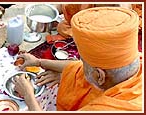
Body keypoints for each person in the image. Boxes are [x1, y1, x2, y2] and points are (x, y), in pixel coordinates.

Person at [14, 6, 142, 111]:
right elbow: (79, 67)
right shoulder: (135, 64)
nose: (79, 64)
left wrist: (28, 95)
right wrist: (39, 62)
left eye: (83, 61)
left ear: (100, 76)